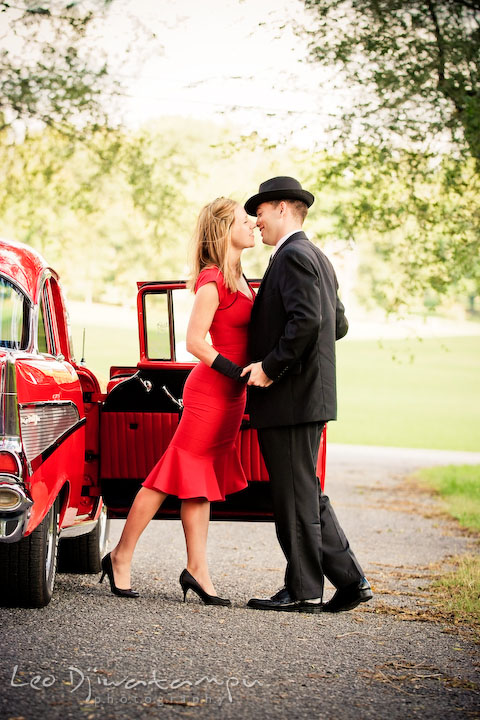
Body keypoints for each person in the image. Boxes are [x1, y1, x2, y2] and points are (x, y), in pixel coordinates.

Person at [100, 197, 256, 605]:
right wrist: (234, 371)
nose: (254, 223)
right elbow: (194, 342)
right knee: (167, 476)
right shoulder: (213, 279)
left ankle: (197, 569)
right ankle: (120, 555)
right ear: (225, 229)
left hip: (232, 396)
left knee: (198, 482)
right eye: (245, 219)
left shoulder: (240, 275)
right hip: (210, 392)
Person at [242, 176, 372, 613]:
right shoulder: (316, 256)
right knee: (304, 491)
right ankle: (350, 582)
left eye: (259, 211)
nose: (255, 220)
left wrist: (271, 367)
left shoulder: (293, 257)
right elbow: (337, 324)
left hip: (291, 397)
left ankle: (303, 589)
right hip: (305, 395)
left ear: (281, 208)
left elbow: (309, 322)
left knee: (293, 494)